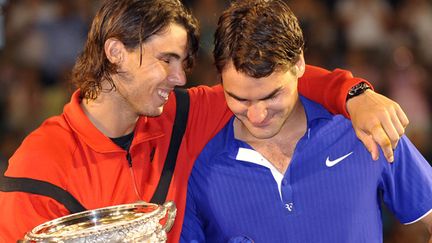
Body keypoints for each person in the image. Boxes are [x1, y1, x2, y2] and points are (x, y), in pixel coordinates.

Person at [0, 0, 409, 242]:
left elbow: (278, 80)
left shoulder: (184, 114)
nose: (179, 78)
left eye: (184, 63)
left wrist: (355, 94)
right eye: (166, 60)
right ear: (115, 52)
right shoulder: (38, 165)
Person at [180, 0, 432, 242]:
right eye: (239, 99)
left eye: (272, 95)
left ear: (299, 63)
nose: (257, 115)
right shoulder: (199, 166)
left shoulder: (365, 129)